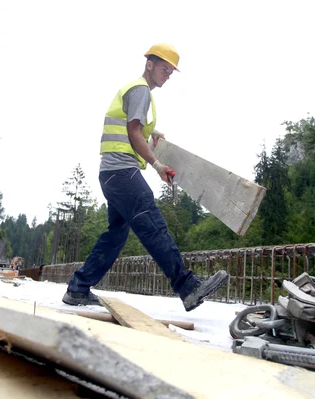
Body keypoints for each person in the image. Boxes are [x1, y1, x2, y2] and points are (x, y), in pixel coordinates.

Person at [62, 43, 229, 312]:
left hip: (111, 174)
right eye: (164, 69)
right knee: (153, 225)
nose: (167, 75)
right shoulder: (140, 90)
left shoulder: (134, 91)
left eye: (171, 72)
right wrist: (157, 164)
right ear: (149, 64)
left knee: (115, 235)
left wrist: (152, 131)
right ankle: (187, 287)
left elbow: (136, 128)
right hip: (122, 173)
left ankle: (78, 289)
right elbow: (132, 132)